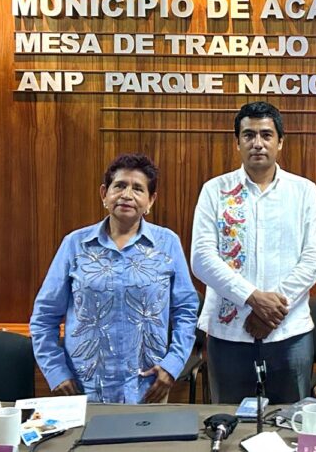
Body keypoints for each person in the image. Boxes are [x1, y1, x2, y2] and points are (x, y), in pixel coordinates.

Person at [30, 153, 198, 403]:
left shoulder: (167, 243)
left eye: (138, 188)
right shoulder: (75, 244)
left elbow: (186, 310)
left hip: (148, 388)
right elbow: (44, 317)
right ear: (104, 193)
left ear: (151, 200)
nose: (127, 195)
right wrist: (56, 372)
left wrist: (172, 365)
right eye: (119, 186)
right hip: (83, 388)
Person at [191, 101, 316, 404]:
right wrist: (252, 298)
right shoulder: (215, 190)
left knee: (290, 419)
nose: (258, 143)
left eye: (266, 134)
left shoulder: (304, 191)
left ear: (280, 142)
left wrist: (271, 311)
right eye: (249, 135)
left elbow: (314, 259)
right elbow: (202, 258)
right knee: (230, 418)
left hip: (289, 332)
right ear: (237, 142)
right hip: (229, 334)